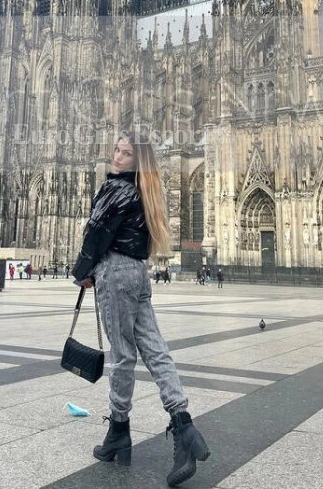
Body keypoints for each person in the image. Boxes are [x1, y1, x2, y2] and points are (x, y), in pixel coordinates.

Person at [72, 131, 210, 486]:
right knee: (156, 351)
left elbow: (96, 232)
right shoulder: (145, 191)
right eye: (117, 150)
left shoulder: (116, 188)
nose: (117, 157)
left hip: (115, 273)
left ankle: (119, 430)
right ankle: (184, 424)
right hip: (138, 274)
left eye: (125, 153)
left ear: (137, 160)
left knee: (122, 356)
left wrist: (82, 272)